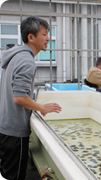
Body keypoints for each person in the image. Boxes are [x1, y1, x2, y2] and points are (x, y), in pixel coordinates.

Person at [0, 16, 62, 180]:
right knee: (15, 175)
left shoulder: (14, 56)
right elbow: (19, 97)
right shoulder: (26, 60)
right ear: (31, 37)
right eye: (45, 34)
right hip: (14, 131)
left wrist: (35, 105)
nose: (48, 38)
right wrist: (42, 107)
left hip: (4, 125)